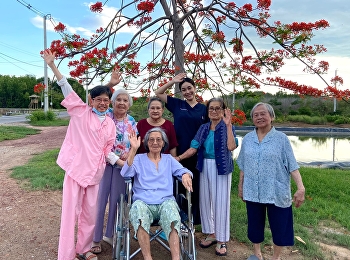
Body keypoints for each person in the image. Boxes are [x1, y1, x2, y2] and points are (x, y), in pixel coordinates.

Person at [41, 49, 116, 260]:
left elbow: (107, 149)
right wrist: (53, 66)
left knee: (90, 214)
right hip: (75, 170)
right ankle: (66, 255)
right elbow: (66, 88)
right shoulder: (81, 112)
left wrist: (119, 160)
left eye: (106, 100)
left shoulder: (110, 123)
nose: (102, 103)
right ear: (91, 101)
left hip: (94, 174)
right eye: (98, 99)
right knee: (69, 214)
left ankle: (83, 249)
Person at [236, 102, 305, 260]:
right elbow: (243, 165)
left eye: (263, 114)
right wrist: (241, 186)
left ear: (272, 116)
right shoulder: (248, 138)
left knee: (280, 226)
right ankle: (257, 253)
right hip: (253, 190)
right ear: (252, 119)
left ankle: (276, 257)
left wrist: (300, 187)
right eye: (255, 115)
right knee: (254, 225)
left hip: (276, 190)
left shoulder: (281, 139)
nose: (259, 117)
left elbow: (292, 165)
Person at [120, 127, 193, 260]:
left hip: (165, 202)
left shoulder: (169, 159)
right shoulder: (138, 159)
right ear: (147, 143)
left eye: (158, 140)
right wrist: (134, 149)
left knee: (171, 212)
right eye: (151, 140)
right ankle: (148, 258)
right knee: (138, 211)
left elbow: (183, 170)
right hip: (143, 202)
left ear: (164, 143)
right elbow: (125, 173)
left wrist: (186, 175)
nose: (155, 142)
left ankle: (176, 258)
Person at [177, 97, 237, 256]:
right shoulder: (204, 128)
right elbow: (193, 148)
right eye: (211, 108)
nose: (214, 111)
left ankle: (222, 239)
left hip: (222, 168)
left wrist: (229, 125)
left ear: (223, 110)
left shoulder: (227, 127)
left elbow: (231, 146)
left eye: (218, 108)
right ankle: (211, 233)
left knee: (221, 203)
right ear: (207, 111)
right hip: (204, 167)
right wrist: (179, 158)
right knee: (206, 201)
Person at [155, 73, 208, 225]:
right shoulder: (177, 104)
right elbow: (158, 93)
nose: (187, 92)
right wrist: (172, 81)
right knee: (179, 188)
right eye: (183, 89)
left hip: (197, 155)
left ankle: (193, 221)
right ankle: (179, 220)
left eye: (189, 88)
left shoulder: (203, 109)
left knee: (195, 188)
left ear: (195, 88)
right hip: (178, 155)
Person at [91, 85, 138, 254]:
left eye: (125, 100)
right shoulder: (106, 115)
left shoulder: (132, 121)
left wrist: (129, 155)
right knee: (100, 201)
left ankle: (109, 234)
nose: (122, 103)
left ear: (129, 104)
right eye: (118, 99)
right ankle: (94, 238)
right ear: (113, 102)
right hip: (103, 164)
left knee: (116, 202)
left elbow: (134, 144)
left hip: (121, 167)